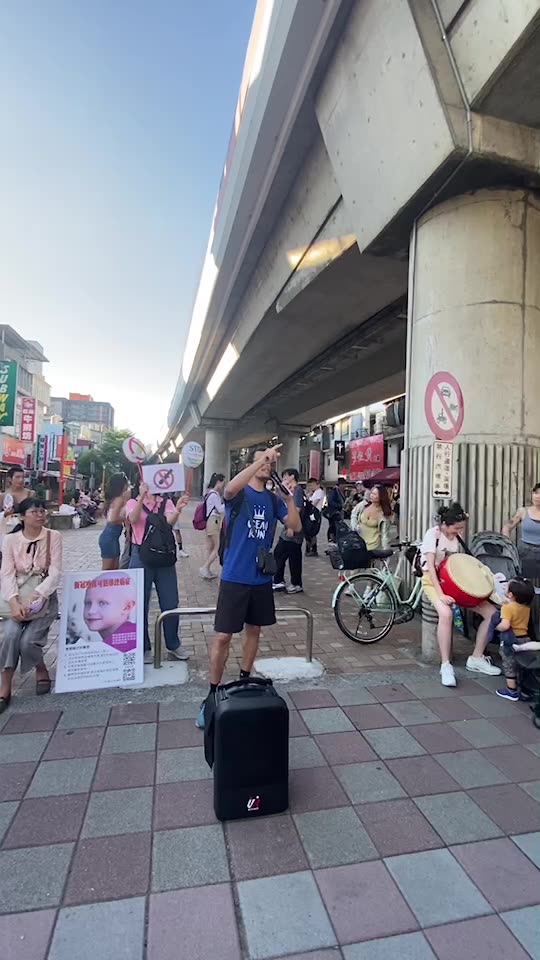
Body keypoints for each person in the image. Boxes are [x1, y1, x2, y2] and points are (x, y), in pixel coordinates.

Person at [196, 445, 301, 728]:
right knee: (222, 637)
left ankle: (244, 679)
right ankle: (211, 694)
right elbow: (228, 489)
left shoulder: (272, 499)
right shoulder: (240, 492)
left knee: (254, 630)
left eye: (269, 462)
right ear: (252, 464)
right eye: (262, 461)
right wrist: (259, 461)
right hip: (234, 576)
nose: (267, 465)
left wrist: (289, 500)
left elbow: (295, 526)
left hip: (261, 578)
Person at [421, 502, 501, 687]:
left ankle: (477, 657)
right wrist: (441, 594)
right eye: (457, 528)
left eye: (462, 528)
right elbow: (431, 569)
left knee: (492, 613)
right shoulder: (433, 535)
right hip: (433, 582)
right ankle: (445, 665)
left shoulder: (457, 538)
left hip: (456, 583)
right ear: (445, 524)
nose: (459, 531)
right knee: (446, 613)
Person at [0, 498, 62, 712]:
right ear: (22, 516)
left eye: (42, 511)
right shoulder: (9, 540)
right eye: (34, 511)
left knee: (28, 642)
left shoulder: (54, 536)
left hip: (43, 600)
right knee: (9, 635)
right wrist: (14, 602)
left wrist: (37, 595)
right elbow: (6, 574)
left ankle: (40, 667)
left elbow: (55, 573)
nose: (40, 514)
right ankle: (5, 686)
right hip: (14, 600)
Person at [126, 483, 190, 664]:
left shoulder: (165, 502)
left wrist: (177, 510)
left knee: (170, 601)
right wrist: (141, 497)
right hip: (141, 556)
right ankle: (143, 646)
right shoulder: (132, 501)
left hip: (163, 556)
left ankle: (173, 643)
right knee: (139, 603)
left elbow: (169, 522)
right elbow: (133, 519)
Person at [485, 578, 535, 701]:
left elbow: (505, 625)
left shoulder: (507, 608)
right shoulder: (526, 608)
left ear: (510, 594)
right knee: (522, 663)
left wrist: (497, 627)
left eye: (506, 587)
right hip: (525, 639)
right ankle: (523, 688)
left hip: (511, 640)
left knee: (509, 664)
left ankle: (511, 691)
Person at [83, 575, 137, 650]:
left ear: (126, 607)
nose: (91, 611)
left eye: (102, 603)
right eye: (88, 603)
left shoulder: (127, 648)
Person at [273, 468, 305, 594]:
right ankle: (279, 580)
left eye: (286, 476)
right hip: (288, 529)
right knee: (280, 553)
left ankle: (296, 583)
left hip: (294, 530)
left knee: (293, 557)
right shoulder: (290, 491)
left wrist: (291, 527)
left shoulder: (297, 491)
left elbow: (296, 509)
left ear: (292, 476)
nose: (284, 478)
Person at [503, 484, 540, 580]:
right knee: (524, 583)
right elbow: (507, 527)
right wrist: (508, 544)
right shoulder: (523, 511)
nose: (538, 496)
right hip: (525, 553)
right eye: (536, 493)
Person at [98, 473, 131, 571]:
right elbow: (112, 518)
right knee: (108, 568)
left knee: (114, 568)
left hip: (113, 536)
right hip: (110, 535)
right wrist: (127, 518)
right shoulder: (119, 499)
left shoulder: (117, 498)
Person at [199, 473, 226, 580]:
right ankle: (205, 568)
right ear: (218, 482)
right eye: (223, 482)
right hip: (213, 521)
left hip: (209, 521)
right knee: (217, 547)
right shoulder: (214, 495)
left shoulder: (209, 493)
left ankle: (206, 570)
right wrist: (227, 503)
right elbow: (220, 509)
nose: (223, 485)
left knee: (210, 547)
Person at [353, 484, 394, 550]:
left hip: (373, 545)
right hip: (359, 542)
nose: (371, 495)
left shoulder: (383, 513)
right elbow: (354, 514)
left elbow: (385, 535)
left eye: (374, 494)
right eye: (371, 493)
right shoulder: (364, 505)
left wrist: (385, 551)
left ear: (380, 497)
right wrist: (355, 527)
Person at [305, 478, 325, 556]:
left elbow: (313, 503)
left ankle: (313, 549)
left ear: (317, 484)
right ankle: (309, 548)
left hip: (315, 513)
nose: (311, 487)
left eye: (312, 485)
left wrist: (308, 501)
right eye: (309, 485)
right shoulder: (313, 493)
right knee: (308, 531)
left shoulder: (319, 492)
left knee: (312, 531)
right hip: (310, 513)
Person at [326, 477, 347, 542]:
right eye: (344, 485)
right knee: (333, 527)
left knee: (338, 527)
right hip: (334, 513)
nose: (345, 486)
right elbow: (330, 501)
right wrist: (340, 506)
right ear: (340, 484)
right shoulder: (334, 491)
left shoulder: (341, 492)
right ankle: (332, 540)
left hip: (339, 513)